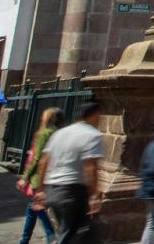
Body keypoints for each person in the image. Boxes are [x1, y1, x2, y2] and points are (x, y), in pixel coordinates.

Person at [32, 101, 104, 244]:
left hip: (53, 189)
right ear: (94, 115)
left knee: (84, 234)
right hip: (72, 192)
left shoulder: (60, 133)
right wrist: (94, 195)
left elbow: (43, 162)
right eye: (99, 115)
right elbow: (90, 167)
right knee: (70, 233)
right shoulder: (92, 134)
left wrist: (41, 189)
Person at [16, 107, 63, 244]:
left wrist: (25, 177)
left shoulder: (44, 133)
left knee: (36, 206)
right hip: (53, 175)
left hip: (40, 177)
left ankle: (50, 235)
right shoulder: (59, 133)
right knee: (33, 209)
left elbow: (38, 159)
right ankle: (25, 240)